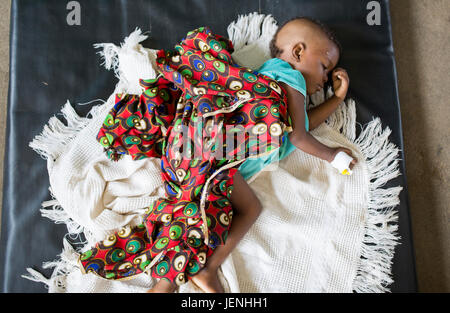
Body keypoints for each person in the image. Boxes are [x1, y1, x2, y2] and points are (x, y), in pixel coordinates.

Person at [78, 17, 357, 293]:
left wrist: (336, 99)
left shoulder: (267, 76)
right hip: (218, 156)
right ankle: (204, 269)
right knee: (247, 209)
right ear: (298, 52)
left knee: (191, 217)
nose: (325, 79)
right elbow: (299, 135)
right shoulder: (291, 76)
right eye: (324, 66)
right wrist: (333, 156)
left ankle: (165, 285)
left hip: (187, 150)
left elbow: (302, 124)